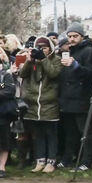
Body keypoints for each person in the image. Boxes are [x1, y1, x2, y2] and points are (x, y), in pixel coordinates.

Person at [18, 36, 62, 172]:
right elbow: (22, 74)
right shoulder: (32, 61)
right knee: (38, 134)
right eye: (39, 48)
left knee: (51, 133)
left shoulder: (56, 60)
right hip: (33, 103)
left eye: (44, 48)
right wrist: (29, 61)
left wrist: (43, 59)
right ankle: (40, 160)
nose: (41, 50)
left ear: (50, 48)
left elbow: (53, 73)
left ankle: (51, 161)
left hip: (49, 102)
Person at [57, 24, 92, 171]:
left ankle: (87, 160)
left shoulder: (88, 51)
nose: (72, 39)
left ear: (82, 36)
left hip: (81, 97)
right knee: (70, 131)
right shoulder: (68, 51)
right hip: (67, 98)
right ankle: (68, 158)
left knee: (84, 131)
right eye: (70, 36)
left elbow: (91, 73)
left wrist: (75, 66)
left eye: (75, 36)